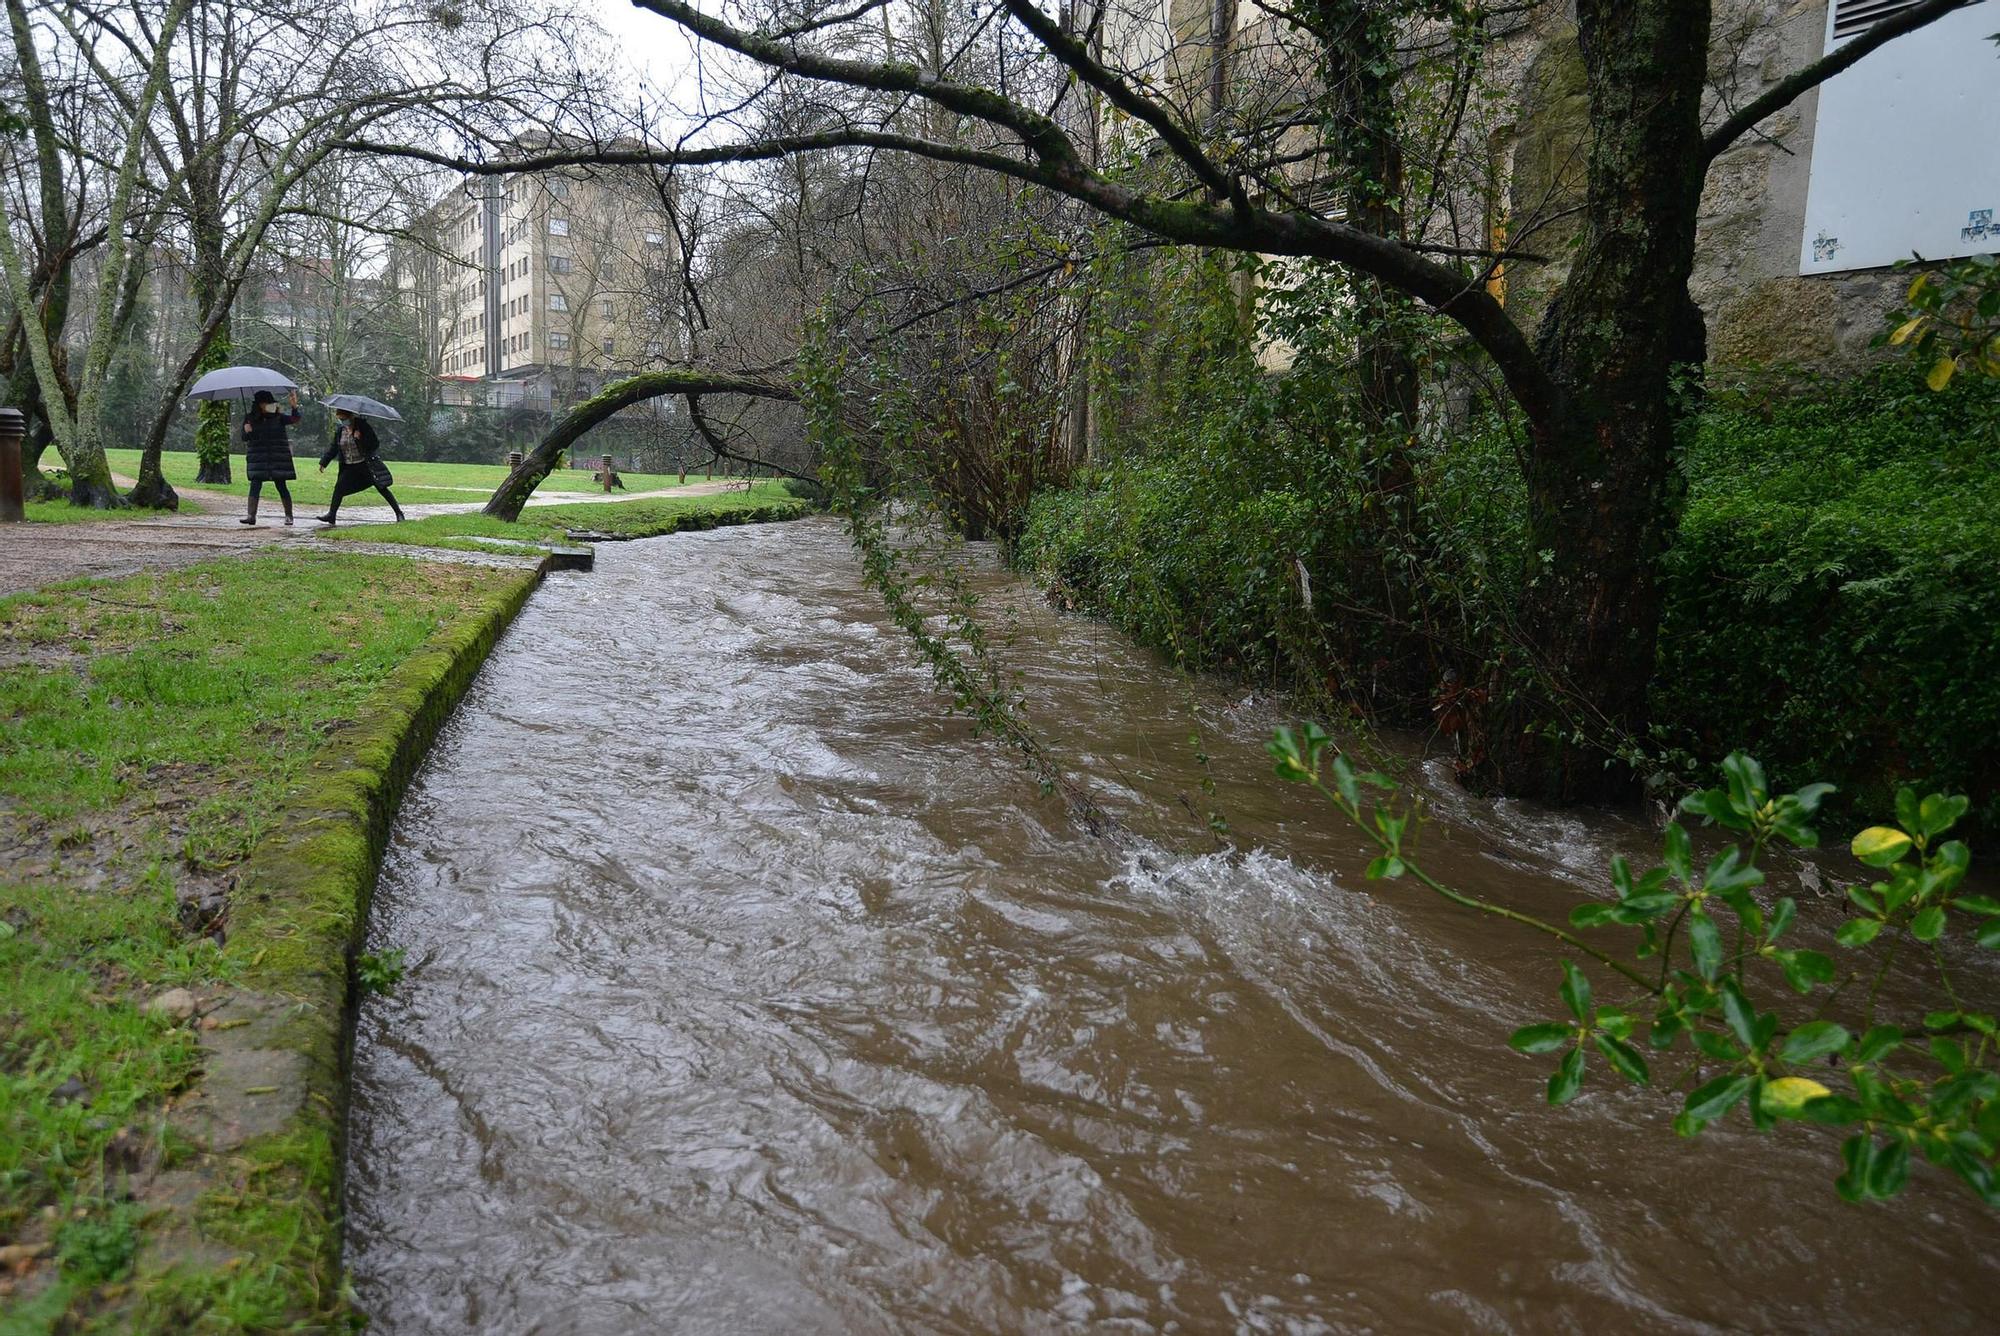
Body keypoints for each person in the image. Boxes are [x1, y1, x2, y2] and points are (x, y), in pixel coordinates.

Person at [316, 409, 405, 524]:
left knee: (381, 487)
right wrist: (324, 462)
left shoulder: (363, 426)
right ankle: (331, 515)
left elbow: (374, 444)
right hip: (349, 466)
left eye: (343, 419)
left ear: (350, 417)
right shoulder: (340, 430)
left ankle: (398, 513)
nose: (342, 421)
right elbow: (334, 447)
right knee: (338, 488)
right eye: (340, 419)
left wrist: (361, 438)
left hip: (365, 464)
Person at [241, 389, 300, 526]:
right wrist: (247, 431)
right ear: (259, 404)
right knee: (255, 485)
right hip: (258, 458)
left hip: (277, 457)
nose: (270, 405)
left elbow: (295, 419)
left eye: (271, 402)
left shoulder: (278, 417)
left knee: (281, 485)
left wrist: (294, 406)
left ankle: (289, 516)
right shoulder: (250, 418)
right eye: (267, 403)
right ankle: (251, 516)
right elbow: (244, 438)